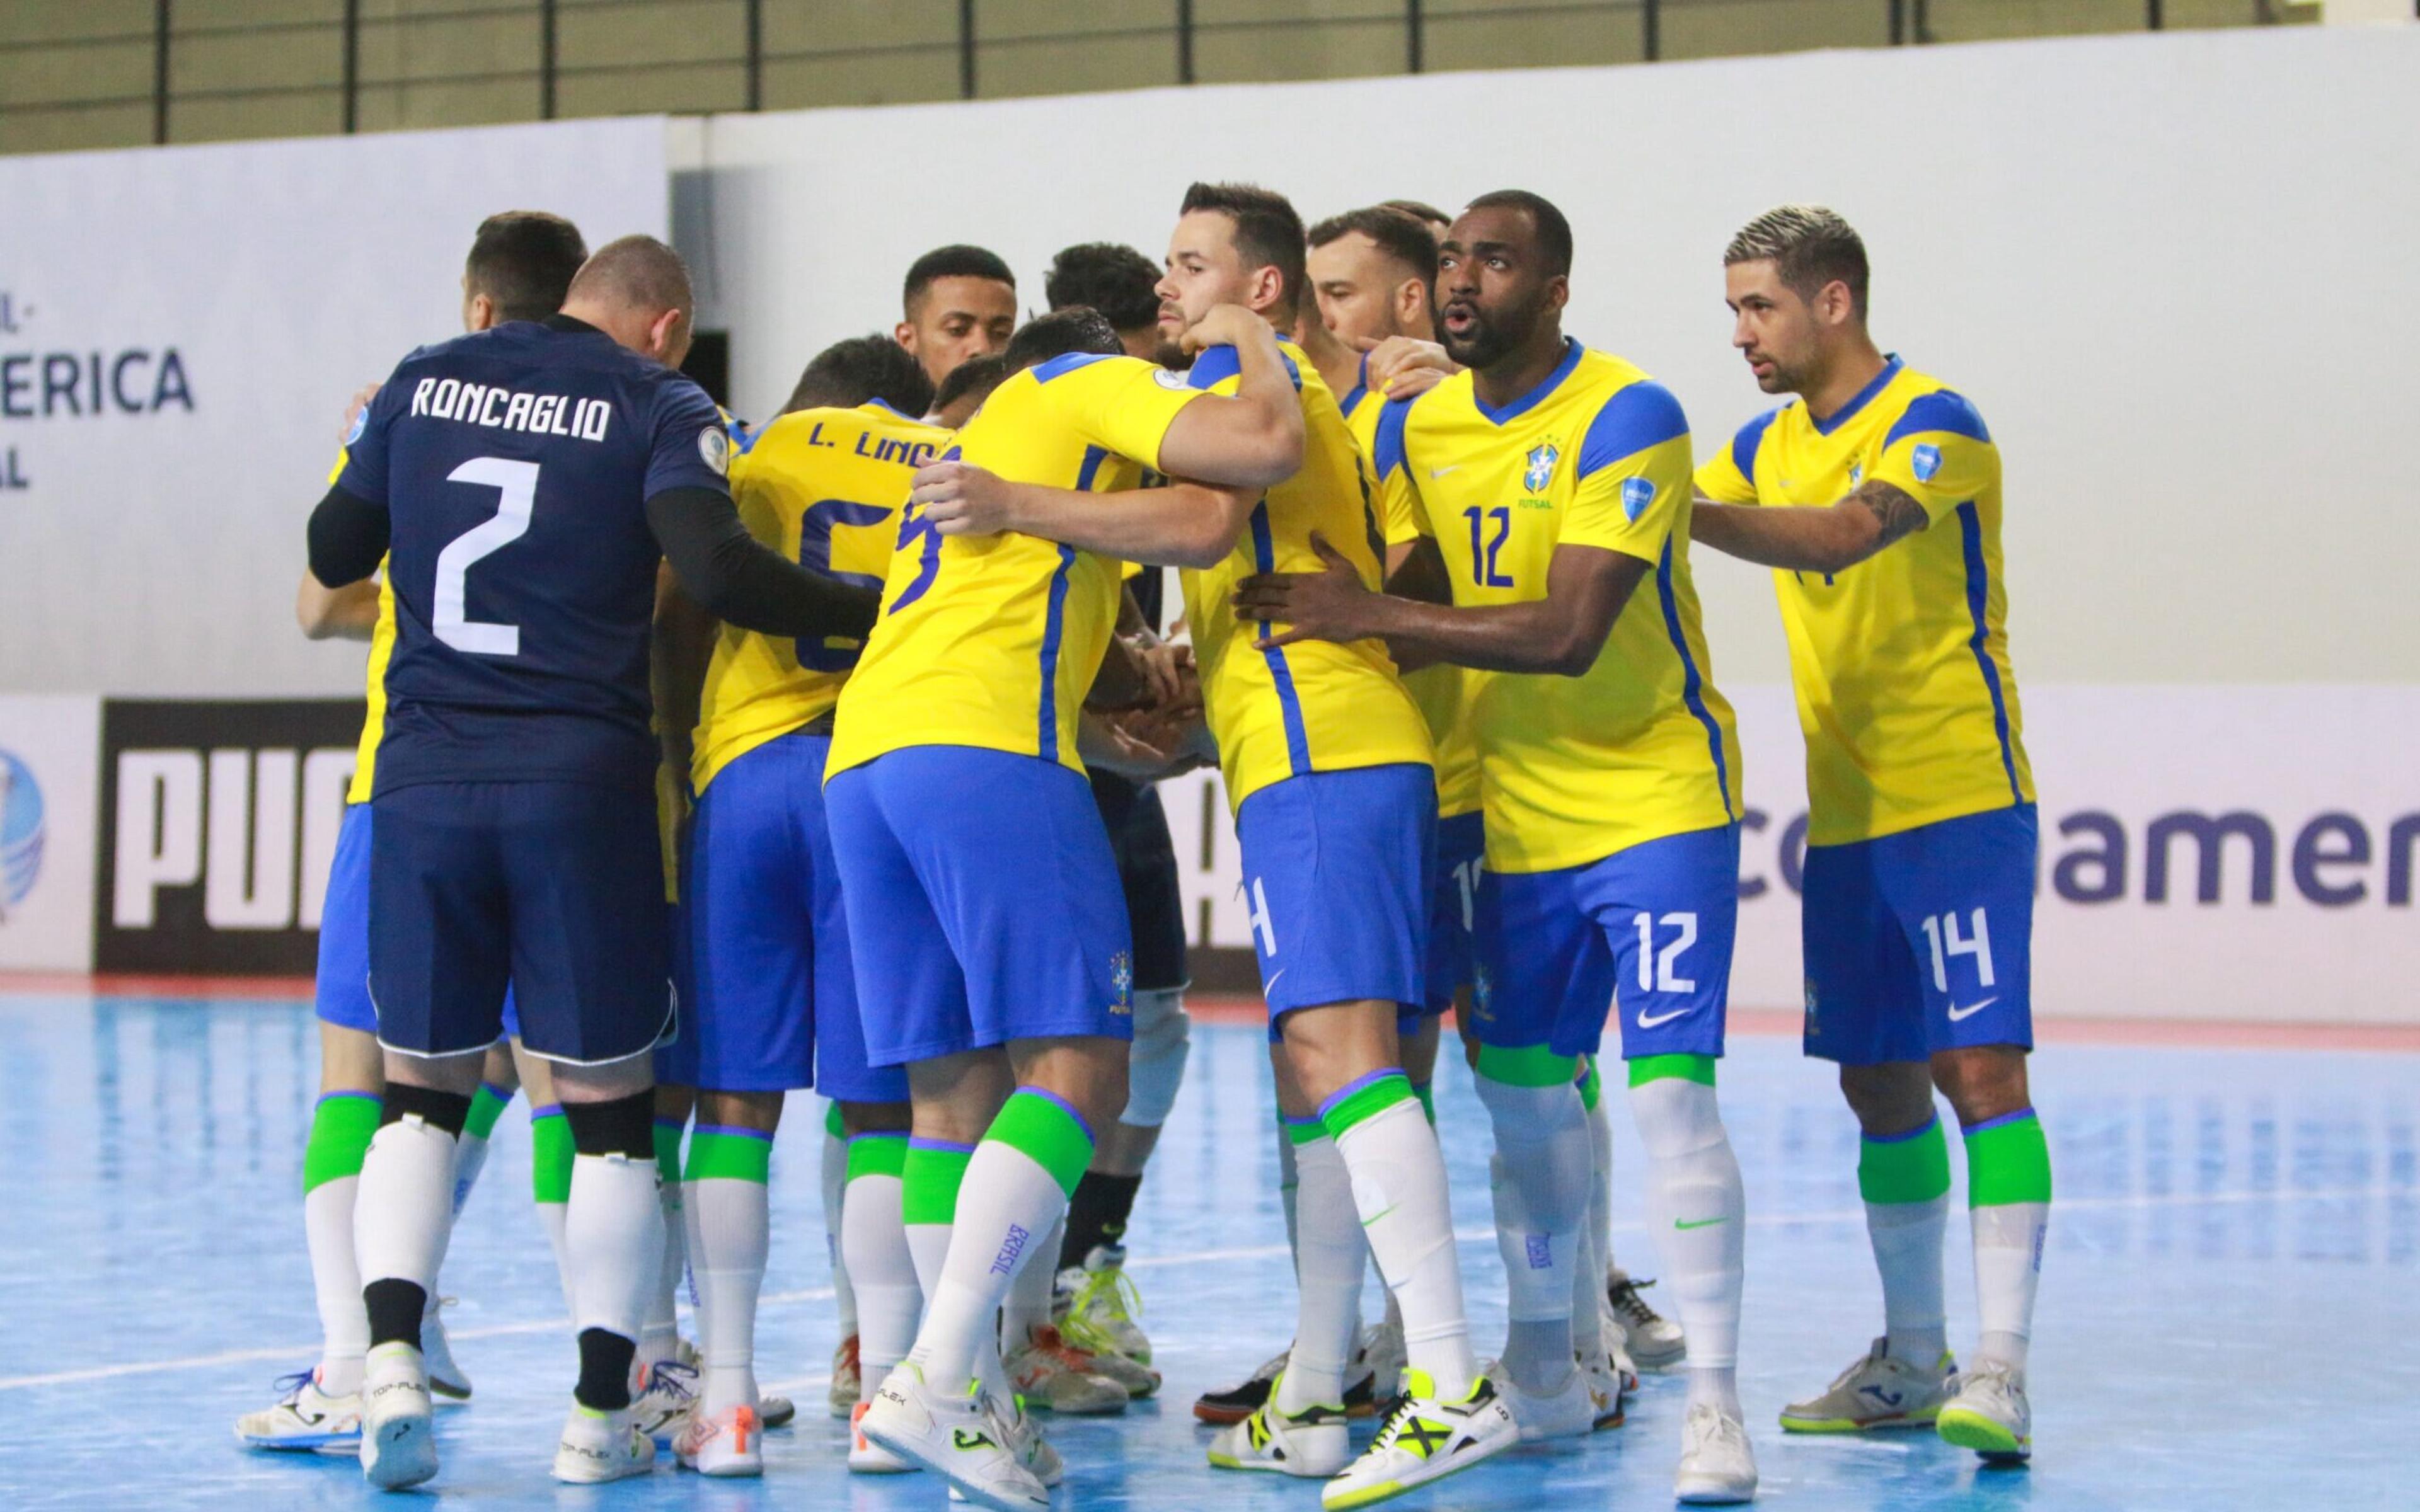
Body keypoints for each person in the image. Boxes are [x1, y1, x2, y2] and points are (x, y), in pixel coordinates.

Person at [909, 183, 1521, 1512]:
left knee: (1347, 1054)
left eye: (1193, 266)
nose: (1168, 289)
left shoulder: (1262, 385)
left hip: (1328, 754)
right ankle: (1318, 1396)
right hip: (1301, 753)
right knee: (1318, 1061)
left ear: (1263, 284)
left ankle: (1453, 1385)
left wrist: (1014, 503)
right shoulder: (1281, 383)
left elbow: (1206, 522)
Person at [305, 235, 881, 1489]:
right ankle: (593, 1412)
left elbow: (334, 549)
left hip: (420, 778)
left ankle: (386, 1360)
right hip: (580, 784)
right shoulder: (656, 401)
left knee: (418, 1091)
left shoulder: (419, 379)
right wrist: (874, 609)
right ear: (664, 326)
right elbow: (722, 572)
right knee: (611, 1111)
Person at [1233, 190, 1760, 1504]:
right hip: (1513, 812)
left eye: (1496, 261)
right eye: (1456, 258)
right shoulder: (1415, 419)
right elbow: (1389, 579)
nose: (1463, 280)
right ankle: (1542, 1372)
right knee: (1524, 1108)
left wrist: (1363, 608)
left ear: (1557, 287)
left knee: (1673, 1093)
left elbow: (1572, 628)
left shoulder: (1630, 413)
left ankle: (1716, 1408)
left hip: (1654, 800)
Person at [832, 303, 1301, 1511]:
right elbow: (1247, 469)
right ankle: (937, 1378)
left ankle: (955, 1398)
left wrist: (1139, 694)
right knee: (1084, 1070)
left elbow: (1114, 569)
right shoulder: (1085, 382)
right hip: (991, 755)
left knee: (950, 1095)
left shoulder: (997, 442)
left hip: (870, 762)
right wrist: (1257, 337)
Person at [1690, 205, 2046, 1464]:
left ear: (1833, 300)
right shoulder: (1758, 443)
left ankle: (1999, 1370)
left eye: (1758, 307)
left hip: (1958, 796)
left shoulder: (1936, 422)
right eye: (1733, 308)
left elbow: (1846, 536)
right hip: (1844, 820)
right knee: (1875, 1081)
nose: (1740, 332)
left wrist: (1666, 507)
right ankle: (1911, 1359)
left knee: (1983, 1074)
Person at [238, 210, 589, 1457]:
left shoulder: (411, 404)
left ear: (476, 306)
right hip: (573, 786)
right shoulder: (624, 410)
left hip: (414, 781)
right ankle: (634, 1374)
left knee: (378, 1078)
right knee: (568, 1085)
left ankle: (359, 1352)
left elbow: (319, 600)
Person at [645, 333, 947, 1475]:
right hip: (870, 779)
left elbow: (681, 608)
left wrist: (689, 764)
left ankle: (722, 1400)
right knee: (881, 1110)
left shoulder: (755, 445)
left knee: (732, 1100)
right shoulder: (946, 453)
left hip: (746, 781)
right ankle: (880, 1407)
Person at [1037, 239, 1198, 1387]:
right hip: (1033, 773)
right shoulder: (1037, 432)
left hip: (1114, 776)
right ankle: (966, 1325)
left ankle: (1085, 1265)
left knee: (1155, 1020)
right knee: (1015, 1051)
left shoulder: (1148, 430)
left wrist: (1156, 671)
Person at [895, 244, 1018, 392]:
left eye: (1001, 333)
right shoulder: (871, 413)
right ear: (907, 339)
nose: (982, 348)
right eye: (957, 330)